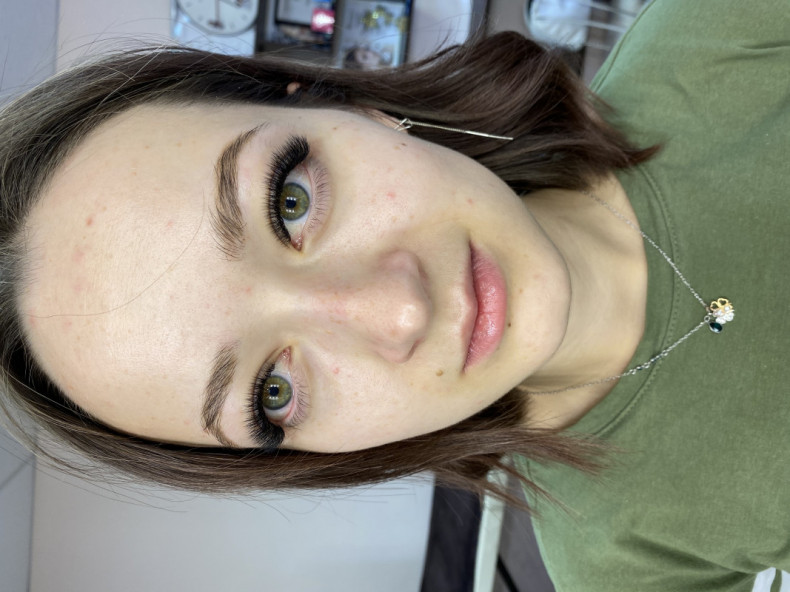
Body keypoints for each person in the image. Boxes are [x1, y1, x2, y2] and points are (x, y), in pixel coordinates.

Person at [0, 0, 786, 589]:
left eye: (289, 202)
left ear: (351, 108)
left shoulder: (723, 30)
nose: (400, 312)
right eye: (274, 393)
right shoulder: (628, 568)